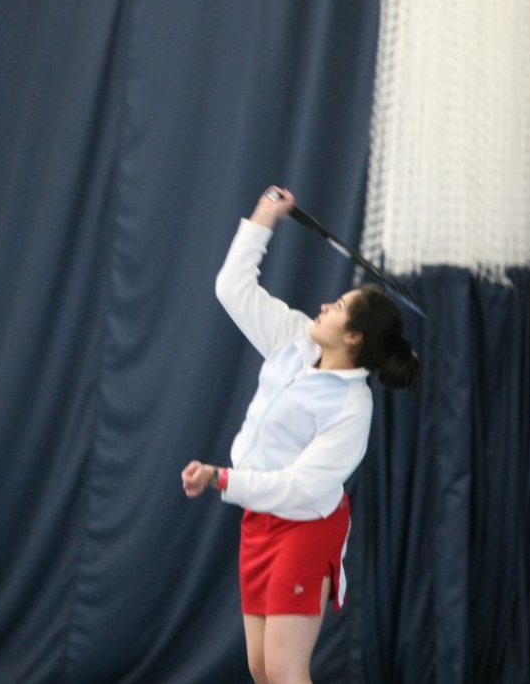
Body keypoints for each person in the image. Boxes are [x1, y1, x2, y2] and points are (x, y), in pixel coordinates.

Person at [181, 185, 420, 684]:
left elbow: (301, 488)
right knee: (260, 668)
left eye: (339, 307)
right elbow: (232, 288)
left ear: (353, 337)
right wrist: (264, 217)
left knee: (287, 671)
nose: (325, 305)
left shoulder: (354, 408)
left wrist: (222, 479)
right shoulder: (292, 338)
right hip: (259, 518)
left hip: (306, 529)